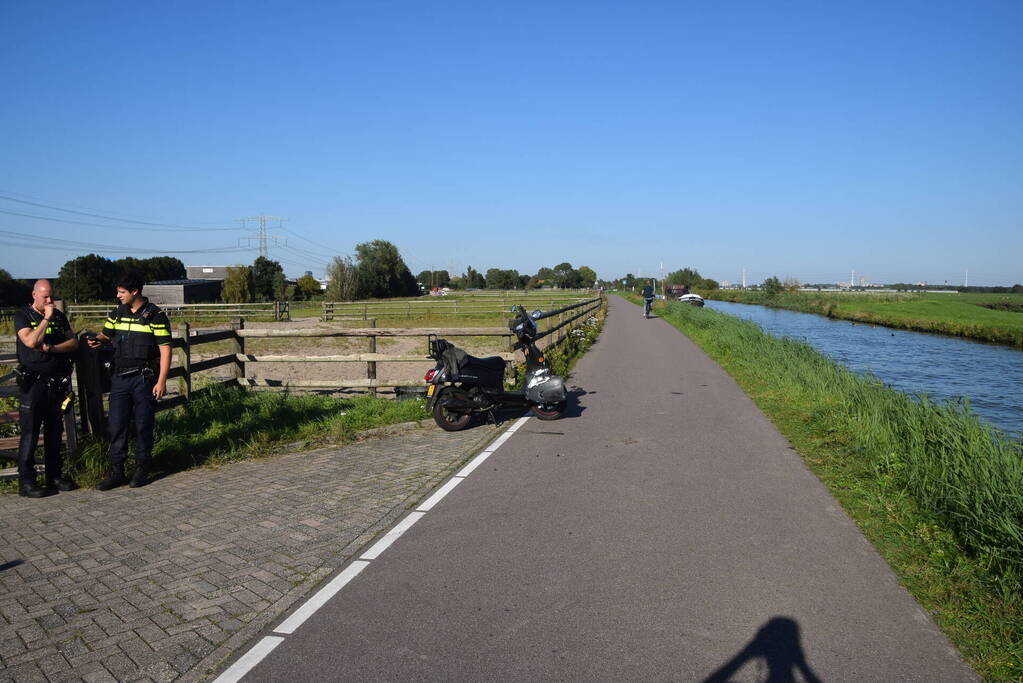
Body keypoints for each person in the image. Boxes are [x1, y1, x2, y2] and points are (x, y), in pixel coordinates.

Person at [87, 272, 171, 489]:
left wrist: (161, 381)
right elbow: (106, 334)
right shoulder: (117, 314)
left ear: (135, 291)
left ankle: (142, 468)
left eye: (121, 292)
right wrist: (98, 340)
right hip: (119, 379)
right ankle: (117, 472)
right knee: (117, 425)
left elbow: (165, 350)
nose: (118, 295)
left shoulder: (156, 316)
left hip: (143, 379)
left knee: (143, 425)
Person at [13, 279, 79, 497]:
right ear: (34, 295)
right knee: (30, 434)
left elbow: (73, 343)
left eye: (52, 296)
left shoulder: (60, 317)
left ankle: (54, 476)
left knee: (54, 431)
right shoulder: (23, 316)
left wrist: (52, 348)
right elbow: (30, 341)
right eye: (45, 297)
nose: (50, 301)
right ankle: (27, 482)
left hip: (55, 383)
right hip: (33, 384)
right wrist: (46, 318)